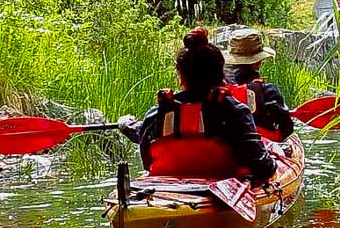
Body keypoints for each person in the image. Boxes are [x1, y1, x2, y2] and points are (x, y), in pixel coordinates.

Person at [119, 27, 277, 183]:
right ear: (220, 74)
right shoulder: (234, 111)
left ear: (180, 76)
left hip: (163, 187)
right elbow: (262, 168)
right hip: (220, 191)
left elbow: (146, 155)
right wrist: (274, 161)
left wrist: (125, 124)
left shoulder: (159, 111)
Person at [222, 27, 294, 141]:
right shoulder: (269, 91)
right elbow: (287, 129)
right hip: (262, 146)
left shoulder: (218, 90)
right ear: (258, 62)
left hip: (227, 145)